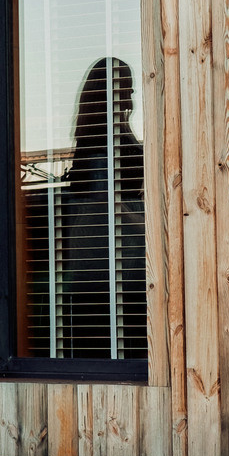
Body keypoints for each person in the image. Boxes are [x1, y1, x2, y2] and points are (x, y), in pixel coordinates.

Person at [57, 56, 146, 354]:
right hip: (110, 272)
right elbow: (110, 203)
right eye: (128, 91)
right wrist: (148, 229)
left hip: (108, 270)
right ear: (111, 93)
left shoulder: (103, 138)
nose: (132, 99)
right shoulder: (104, 145)